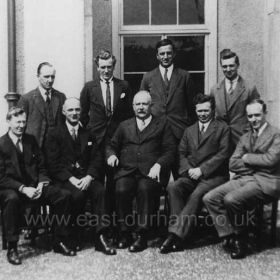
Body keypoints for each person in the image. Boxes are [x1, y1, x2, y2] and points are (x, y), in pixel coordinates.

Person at [203, 99, 280, 259]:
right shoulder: (245, 136)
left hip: (266, 181)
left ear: (265, 113)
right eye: (250, 116)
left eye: (257, 115)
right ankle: (229, 233)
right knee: (210, 198)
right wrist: (256, 163)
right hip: (245, 178)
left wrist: (247, 157)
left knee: (232, 199)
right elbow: (233, 163)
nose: (254, 119)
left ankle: (241, 238)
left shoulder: (276, 134)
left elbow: (271, 160)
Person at [0, 107, 75, 265]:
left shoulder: (30, 140)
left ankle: (59, 240)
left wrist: (41, 184)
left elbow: (42, 166)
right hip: (12, 188)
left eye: (23, 122)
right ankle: (13, 247)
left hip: (35, 186)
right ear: (8, 122)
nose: (21, 125)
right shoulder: (1, 144)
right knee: (11, 200)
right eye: (17, 122)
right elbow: (2, 177)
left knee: (64, 195)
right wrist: (23, 188)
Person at [159, 94, 232, 254]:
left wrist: (202, 170)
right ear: (195, 110)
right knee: (174, 187)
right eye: (199, 111)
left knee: (197, 194)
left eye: (206, 110)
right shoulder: (189, 130)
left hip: (215, 177)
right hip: (192, 175)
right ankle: (182, 233)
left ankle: (175, 236)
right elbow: (181, 153)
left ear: (213, 110)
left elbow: (223, 154)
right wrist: (189, 170)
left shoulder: (222, 128)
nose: (203, 114)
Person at [106, 91, 176, 252]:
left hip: (151, 173)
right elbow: (111, 145)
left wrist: (159, 165)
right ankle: (125, 233)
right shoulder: (125, 125)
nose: (141, 107)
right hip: (127, 171)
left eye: (145, 104)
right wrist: (111, 155)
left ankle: (142, 235)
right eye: (138, 104)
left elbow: (170, 150)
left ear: (151, 106)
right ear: (133, 107)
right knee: (121, 189)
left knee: (145, 190)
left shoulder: (162, 124)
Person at [46, 98, 116, 255]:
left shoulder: (88, 133)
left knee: (100, 191)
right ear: (64, 112)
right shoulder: (54, 134)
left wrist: (89, 177)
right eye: (70, 110)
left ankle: (101, 237)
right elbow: (53, 163)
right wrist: (71, 179)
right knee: (75, 195)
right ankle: (71, 236)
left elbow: (96, 158)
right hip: (65, 179)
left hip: (85, 177)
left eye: (77, 110)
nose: (74, 113)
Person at [80, 50, 134, 214]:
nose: (106, 70)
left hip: (116, 140)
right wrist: (89, 135)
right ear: (97, 67)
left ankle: (114, 221)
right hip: (96, 140)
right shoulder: (90, 87)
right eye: (102, 67)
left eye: (109, 67)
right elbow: (83, 114)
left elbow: (129, 114)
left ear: (114, 66)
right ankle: (100, 221)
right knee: (96, 180)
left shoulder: (123, 86)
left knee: (114, 181)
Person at [140, 38, 197, 179]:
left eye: (169, 53)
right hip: (156, 134)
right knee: (157, 179)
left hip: (179, 133)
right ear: (157, 56)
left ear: (174, 54)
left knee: (181, 178)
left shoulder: (185, 76)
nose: (165, 57)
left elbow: (192, 107)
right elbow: (143, 106)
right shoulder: (148, 77)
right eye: (162, 53)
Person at [210, 49, 260, 146]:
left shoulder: (249, 88)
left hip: (243, 139)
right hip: (221, 140)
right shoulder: (215, 89)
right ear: (221, 67)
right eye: (224, 66)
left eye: (231, 66)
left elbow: (258, 115)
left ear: (238, 65)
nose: (228, 69)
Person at [17, 62, 66, 150]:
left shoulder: (61, 97)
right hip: (35, 147)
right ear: (38, 77)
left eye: (52, 76)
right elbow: (19, 125)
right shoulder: (27, 99)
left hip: (57, 148)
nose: (50, 80)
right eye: (46, 77)